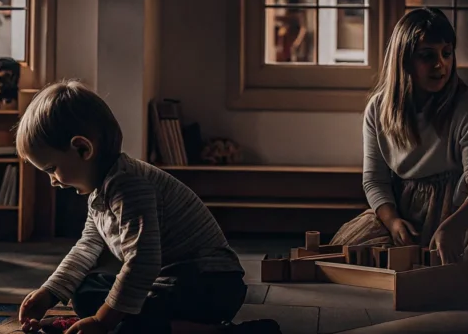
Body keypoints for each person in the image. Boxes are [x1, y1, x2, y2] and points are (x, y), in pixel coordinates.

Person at [15, 80, 279, 334]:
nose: (52, 182)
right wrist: (49, 293)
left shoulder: (129, 185)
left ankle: (217, 332)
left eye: (52, 169)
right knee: (85, 291)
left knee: (124, 323)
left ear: (83, 149)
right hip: (164, 281)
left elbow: (142, 262)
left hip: (209, 285)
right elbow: (88, 248)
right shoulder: (100, 190)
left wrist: (103, 321)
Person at [330, 8, 468, 266]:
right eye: (427, 56)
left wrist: (452, 227)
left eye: (446, 53)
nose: (439, 64)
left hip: (457, 209)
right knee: (348, 249)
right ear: (404, 60)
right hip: (405, 210)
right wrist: (393, 221)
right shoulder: (378, 109)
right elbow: (375, 180)